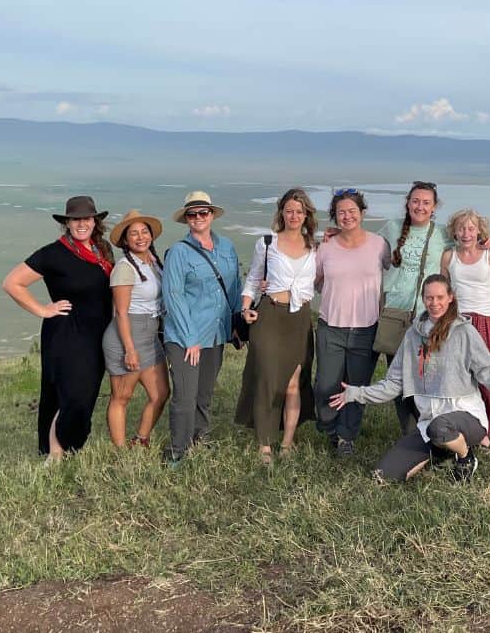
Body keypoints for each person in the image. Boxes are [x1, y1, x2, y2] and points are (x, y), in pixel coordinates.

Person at [330, 275, 490, 483]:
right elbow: (393, 384)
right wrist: (355, 393)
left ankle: (465, 457)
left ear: (451, 298)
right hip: (429, 422)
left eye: (440, 297)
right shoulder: (413, 335)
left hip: (467, 419)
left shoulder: (464, 332)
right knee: (383, 476)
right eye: (429, 298)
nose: (435, 303)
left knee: (440, 427)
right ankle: (443, 451)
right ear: (423, 299)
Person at [2, 195, 113, 460]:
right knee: (70, 395)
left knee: (86, 395)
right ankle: (55, 452)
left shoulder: (103, 250)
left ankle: (70, 447)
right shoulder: (53, 253)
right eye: (75, 220)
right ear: (67, 224)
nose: (81, 224)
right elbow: (12, 283)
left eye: (86, 218)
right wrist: (43, 309)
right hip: (67, 334)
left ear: (95, 221)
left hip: (96, 334)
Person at [234, 188, 317, 464]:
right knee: (268, 379)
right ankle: (264, 445)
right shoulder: (267, 243)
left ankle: (288, 442)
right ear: (282, 212)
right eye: (289, 210)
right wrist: (246, 308)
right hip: (269, 315)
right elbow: (253, 279)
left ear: (307, 215)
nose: (294, 215)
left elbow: (323, 280)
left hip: (299, 319)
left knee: (293, 383)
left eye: (299, 211)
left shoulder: (316, 247)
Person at [161, 191, 242, 463]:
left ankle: (200, 435)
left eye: (203, 213)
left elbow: (234, 287)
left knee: (204, 392)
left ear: (211, 215)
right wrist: (190, 338)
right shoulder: (178, 253)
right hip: (187, 337)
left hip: (217, 334)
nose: (198, 218)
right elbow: (173, 296)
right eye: (192, 214)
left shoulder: (227, 247)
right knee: (185, 396)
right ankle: (177, 450)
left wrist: (235, 322)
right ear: (186, 219)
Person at [314, 189, 389, 457]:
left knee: (356, 387)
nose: (347, 216)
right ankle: (328, 425)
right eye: (341, 212)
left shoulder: (379, 244)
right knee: (326, 384)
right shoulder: (325, 247)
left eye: (352, 211)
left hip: (366, 327)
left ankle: (346, 437)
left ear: (363, 213)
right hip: (330, 326)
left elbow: (404, 266)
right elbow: (312, 280)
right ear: (335, 216)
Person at [378, 181, 450, 436]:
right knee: (400, 377)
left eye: (426, 202)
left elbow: (468, 245)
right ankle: (411, 434)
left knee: (427, 377)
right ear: (407, 203)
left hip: (427, 315)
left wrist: (485, 241)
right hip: (396, 314)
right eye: (416, 201)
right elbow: (371, 255)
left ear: (434, 207)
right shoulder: (391, 228)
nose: (420, 206)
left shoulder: (442, 233)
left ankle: (433, 430)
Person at [101, 209, 170, 448]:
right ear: (125, 240)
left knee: (161, 394)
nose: (140, 237)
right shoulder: (124, 267)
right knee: (122, 396)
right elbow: (120, 312)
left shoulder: (153, 261)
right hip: (126, 335)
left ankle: (140, 439)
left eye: (144, 232)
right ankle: (120, 452)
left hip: (151, 334)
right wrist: (130, 350)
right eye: (134, 234)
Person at [440, 208, 490, 448]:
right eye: (461, 228)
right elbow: (444, 292)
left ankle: (487, 428)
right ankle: (464, 428)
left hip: (485, 321)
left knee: (488, 380)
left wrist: (488, 313)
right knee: (460, 379)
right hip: (457, 322)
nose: (466, 233)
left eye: (471, 228)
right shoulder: (449, 257)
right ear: (454, 232)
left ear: (479, 231)